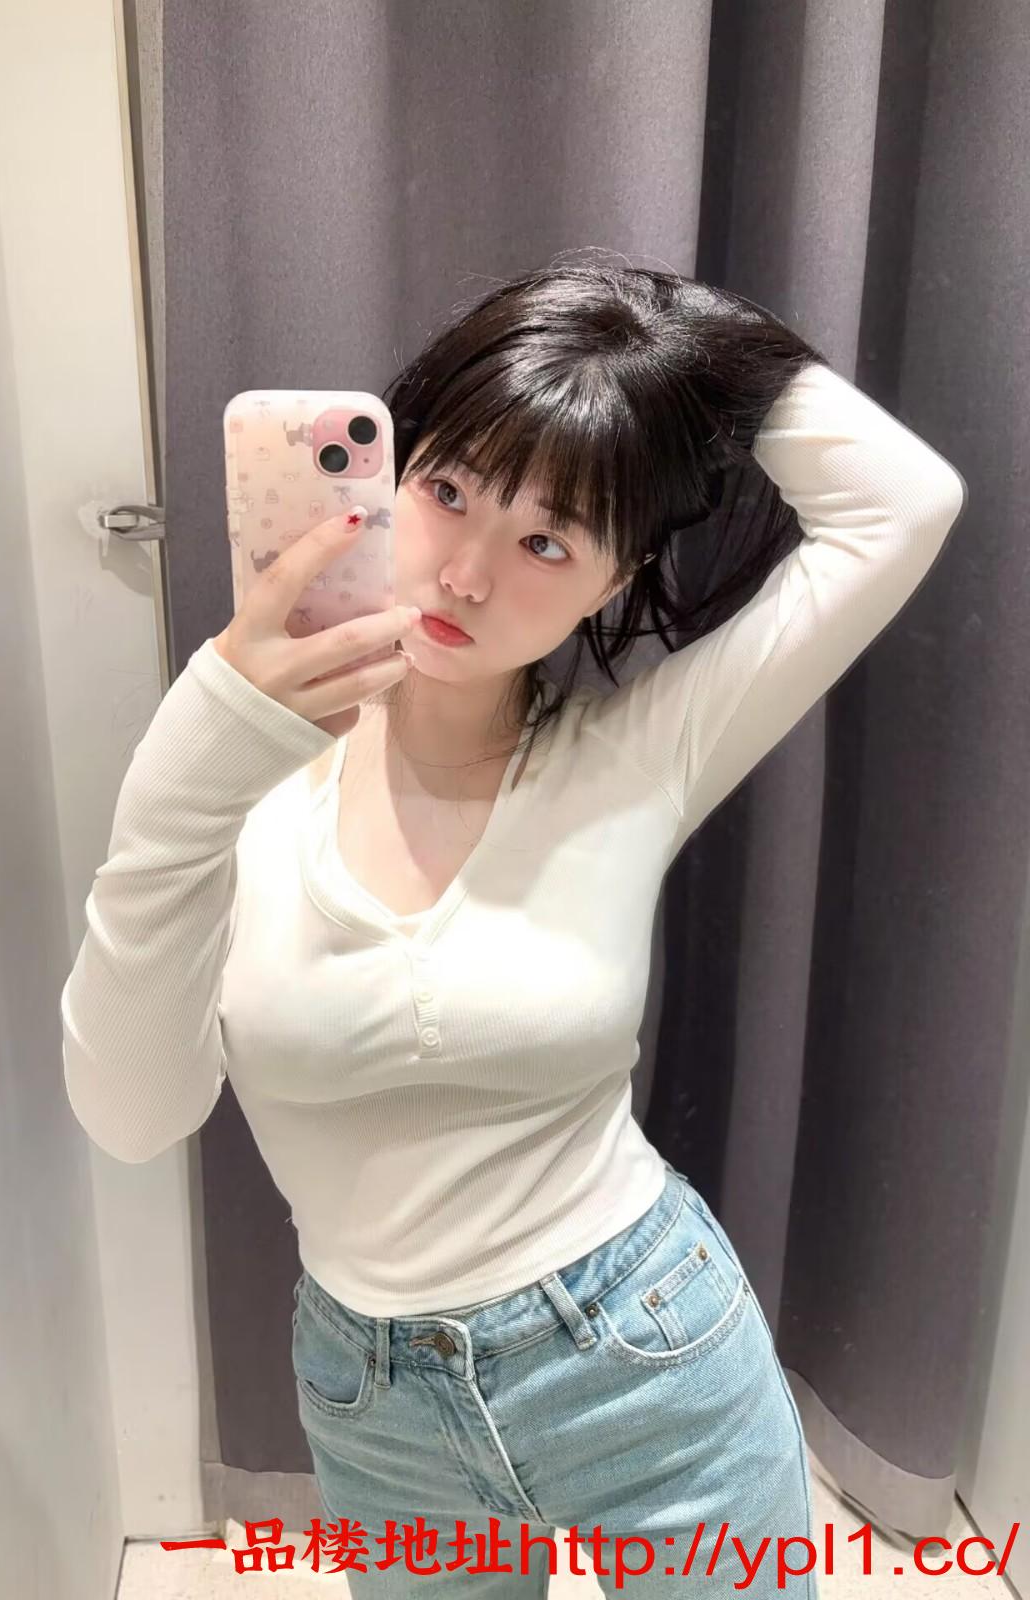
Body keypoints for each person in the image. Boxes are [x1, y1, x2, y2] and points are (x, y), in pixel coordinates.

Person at [60, 259, 967, 1597]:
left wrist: (657, 331)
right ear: (390, 471)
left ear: (615, 580)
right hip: (377, 1410)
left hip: (648, 1361)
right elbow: (133, 1115)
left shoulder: (638, 757)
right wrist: (196, 757)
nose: (468, 575)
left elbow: (903, 503)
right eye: (447, 490)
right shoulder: (234, 778)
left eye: (549, 542)